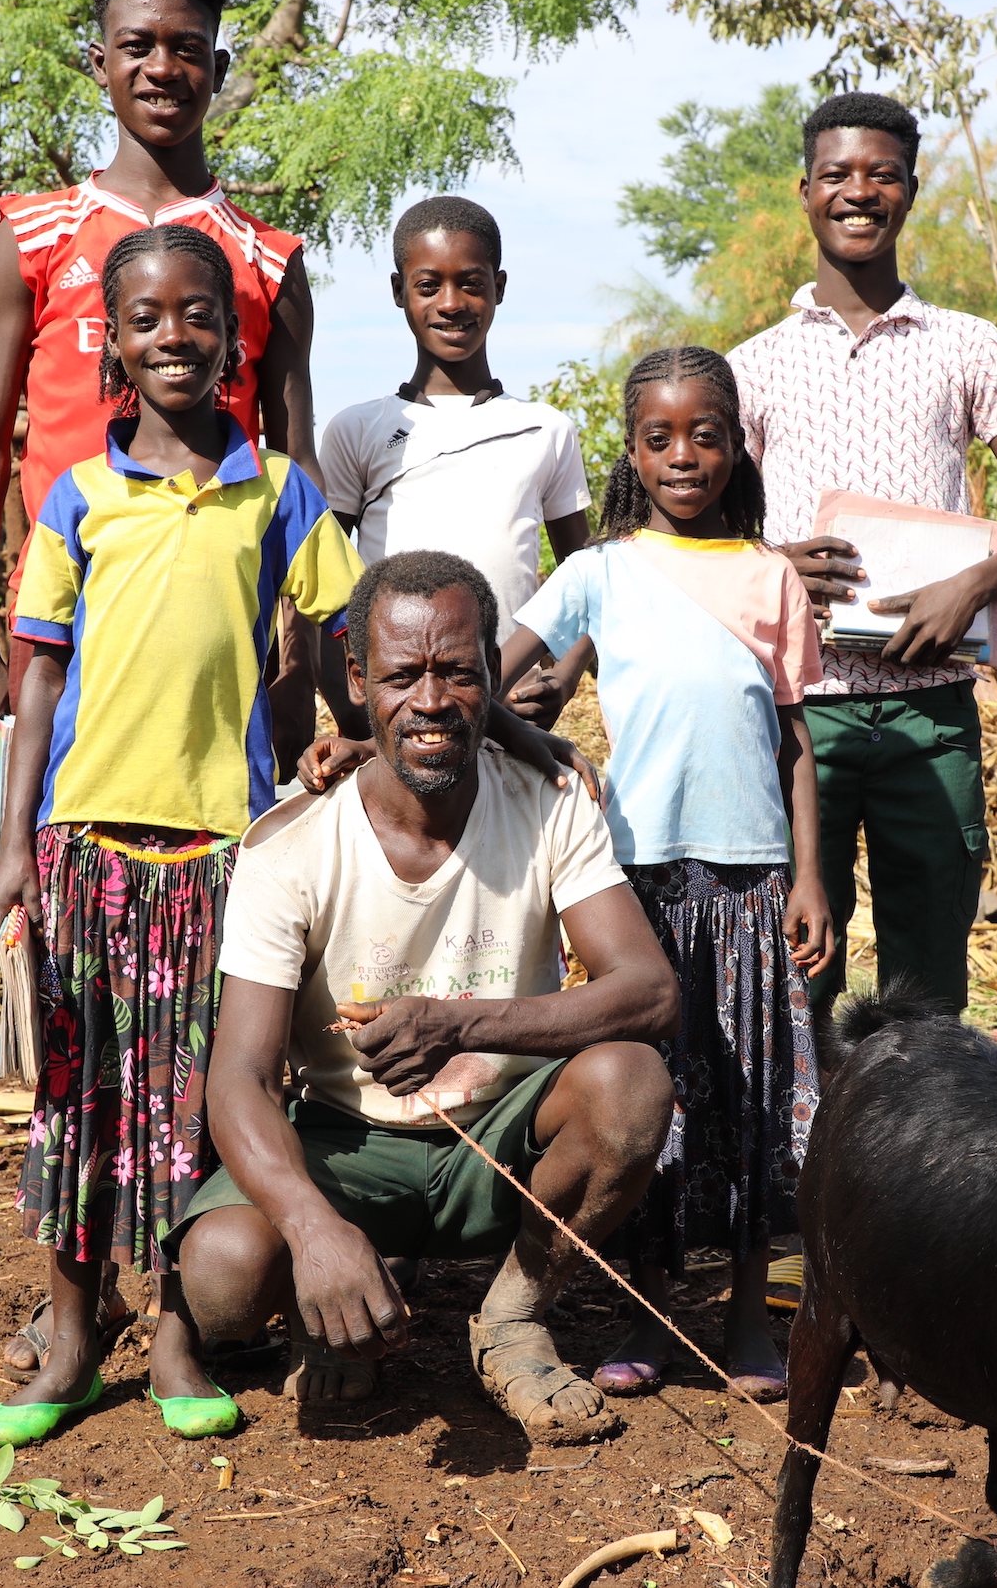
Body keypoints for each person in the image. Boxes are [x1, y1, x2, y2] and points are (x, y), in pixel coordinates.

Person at [0, 0, 318, 1375]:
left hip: (216, 705)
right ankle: (67, 1306)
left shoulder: (267, 258)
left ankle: (198, 1284)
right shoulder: (35, 234)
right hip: (62, 670)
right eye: (136, 45)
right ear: (101, 60)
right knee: (62, 1009)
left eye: (186, 48)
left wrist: (296, 688)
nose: (162, 69)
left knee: (204, 1005)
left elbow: (289, 477)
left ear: (218, 66)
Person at [0, 223, 364, 1446]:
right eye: (145, 320)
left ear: (233, 337)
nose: (174, 336)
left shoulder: (279, 490)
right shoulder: (78, 497)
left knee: (198, 1105)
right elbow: (39, 681)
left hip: (223, 855)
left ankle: (181, 1337)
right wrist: (12, 844)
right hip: (86, 847)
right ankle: (74, 1338)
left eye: (198, 314)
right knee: (82, 1100)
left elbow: (343, 638)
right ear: (115, 347)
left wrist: (356, 737)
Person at [169, 551, 682, 1447]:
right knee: (220, 1274)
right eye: (403, 675)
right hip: (345, 1141)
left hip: (500, 1138)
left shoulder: (547, 805)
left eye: (459, 671)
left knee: (631, 1084)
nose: (433, 700)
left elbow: (649, 991)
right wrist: (313, 1228)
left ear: (493, 673)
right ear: (359, 683)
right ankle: (330, 1307)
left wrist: (462, 1022)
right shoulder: (290, 846)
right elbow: (240, 1079)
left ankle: (515, 1317)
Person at [495, 344, 828, 1404]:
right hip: (631, 889)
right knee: (657, 1107)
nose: (684, 454)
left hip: (750, 887)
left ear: (736, 445)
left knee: (749, 1099)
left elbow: (795, 742)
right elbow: (487, 673)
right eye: (659, 437)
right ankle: (643, 1310)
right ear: (632, 451)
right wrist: (541, 744)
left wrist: (811, 879)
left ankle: (741, 1317)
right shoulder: (599, 568)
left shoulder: (771, 575)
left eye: (705, 434)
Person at [727, 90, 997, 1026]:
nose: (859, 192)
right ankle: (804, 1161)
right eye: (838, 174)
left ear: (910, 192)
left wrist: (971, 585)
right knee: (798, 976)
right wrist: (771, 564)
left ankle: (917, 1166)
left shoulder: (968, 346)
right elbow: (703, 536)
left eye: (882, 174)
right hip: (800, 717)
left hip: (931, 713)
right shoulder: (751, 365)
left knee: (927, 995)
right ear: (804, 191)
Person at [316, 195, 596, 734]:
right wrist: (355, 717)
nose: (451, 302)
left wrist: (563, 678)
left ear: (500, 287)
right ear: (399, 292)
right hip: (402, 714)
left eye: (471, 283)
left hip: (513, 718)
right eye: (428, 286)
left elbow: (586, 581)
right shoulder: (357, 430)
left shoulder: (545, 429)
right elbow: (324, 590)